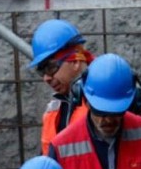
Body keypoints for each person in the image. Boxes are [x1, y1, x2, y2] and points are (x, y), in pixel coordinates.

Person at [28, 19, 95, 155]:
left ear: (75, 62)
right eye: (42, 71)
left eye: (51, 67)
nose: (46, 78)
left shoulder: (102, 102)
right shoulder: (54, 110)